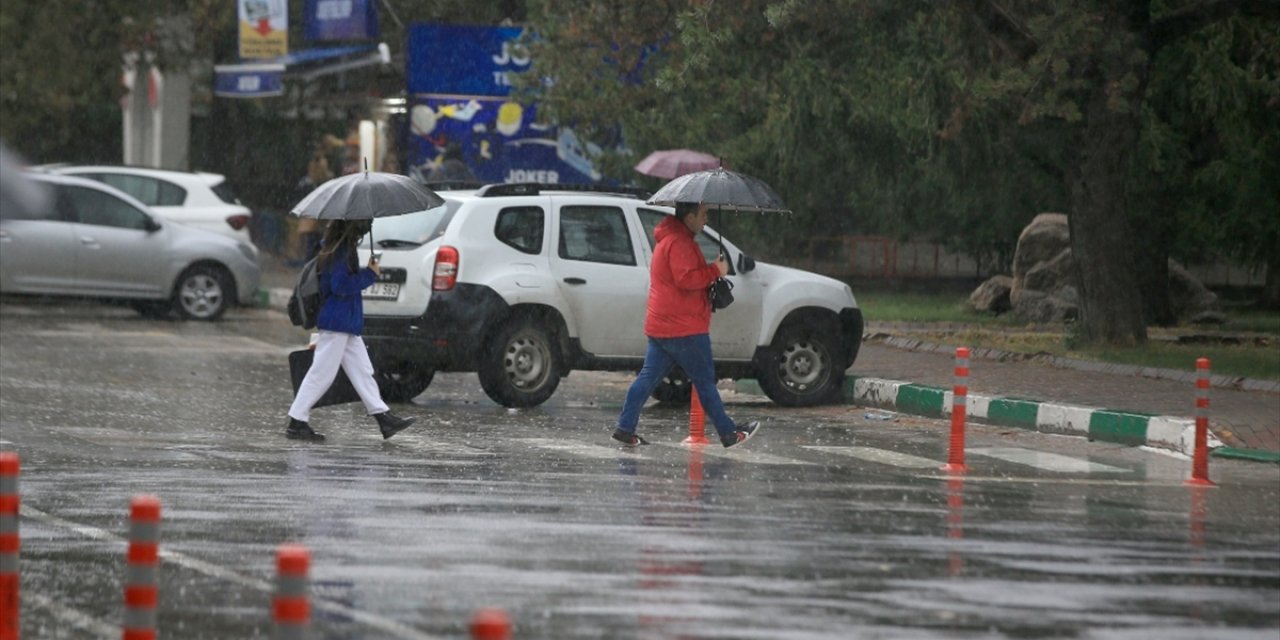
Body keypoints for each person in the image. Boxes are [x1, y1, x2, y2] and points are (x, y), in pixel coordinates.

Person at [612, 202, 761, 448]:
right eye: (703, 215)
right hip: (684, 327)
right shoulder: (680, 242)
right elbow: (686, 279)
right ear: (689, 216)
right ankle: (728, 433)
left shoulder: (669, 239)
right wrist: (715, 270)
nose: (706, 220)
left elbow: (683, 275)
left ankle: (625, 428)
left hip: (664, 324)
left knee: (647, 379)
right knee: (704, 381)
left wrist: (708, 270)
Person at [286, 219, 416, 442]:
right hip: (338, 323)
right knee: (321, 375)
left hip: (345, 323)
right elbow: (340, 285)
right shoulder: (341, 250)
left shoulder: (336, 247)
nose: (366, 229)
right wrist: (370, 275)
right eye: (364, 225)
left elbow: (342, 281)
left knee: (363, 372)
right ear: (352, 228)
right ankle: (297, 422)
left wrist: (365, 270)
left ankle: (383, 418)